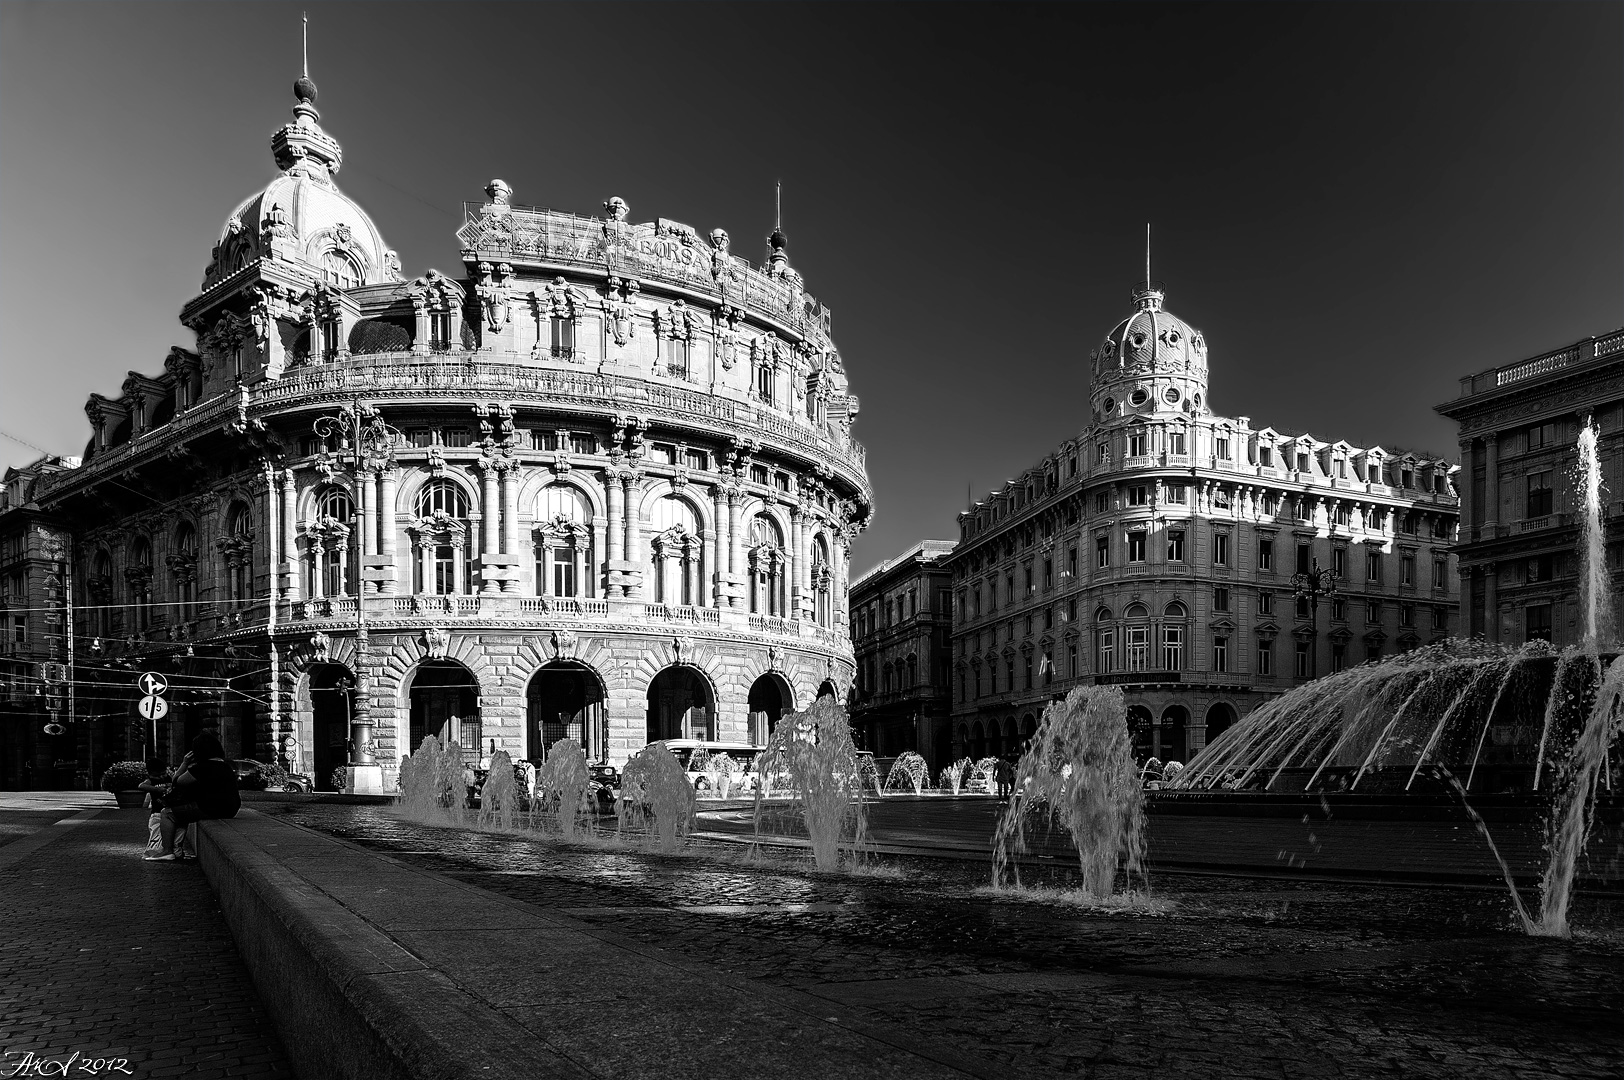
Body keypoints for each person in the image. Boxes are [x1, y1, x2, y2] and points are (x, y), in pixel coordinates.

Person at [148, 731, 240, 862]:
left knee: (167, 813)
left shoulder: (202, 767)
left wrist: (185, 763)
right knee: (181, 812)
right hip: (230, 808)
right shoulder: (225, 766)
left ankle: (167, 850)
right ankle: (177, 849)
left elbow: (176, 781)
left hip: (210, 808)